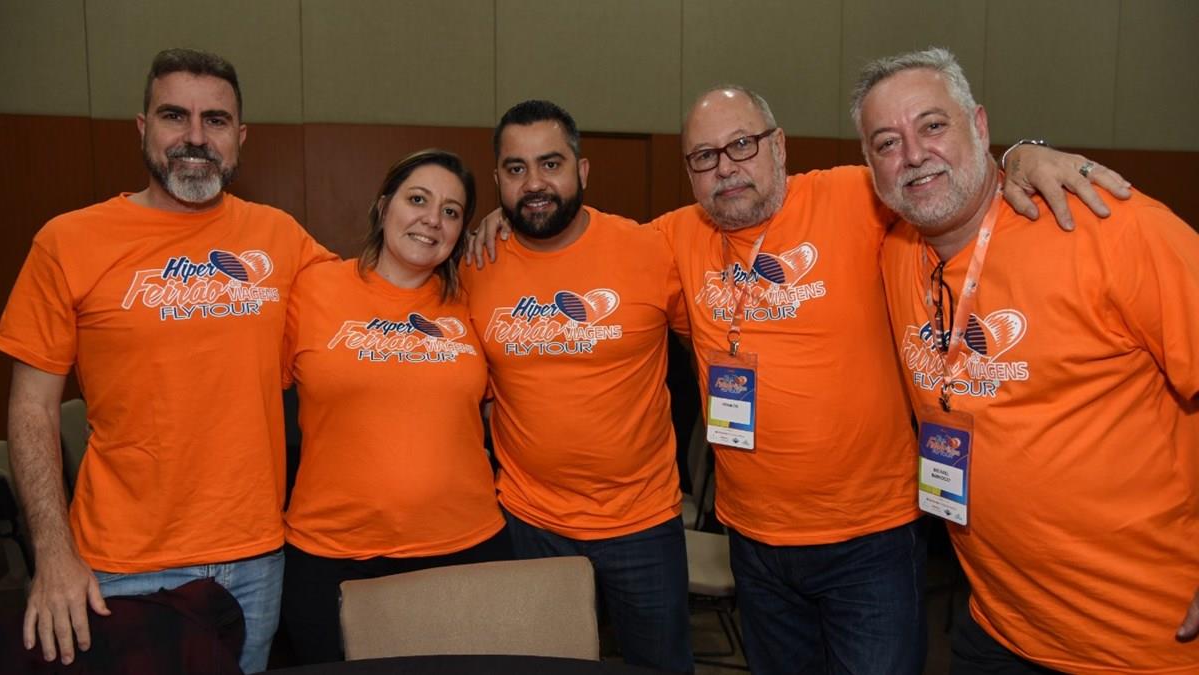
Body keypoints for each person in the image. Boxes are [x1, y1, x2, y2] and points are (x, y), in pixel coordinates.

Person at [467, 90, 1127, 675]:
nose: (726, 167)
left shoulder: (853, 197)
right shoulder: (671, 239)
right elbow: (568, 244)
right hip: (754, 540)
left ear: (779, 145)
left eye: (742, 145)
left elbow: (933, 172)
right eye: (704, 157)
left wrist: (1021, 154)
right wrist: (507, 220)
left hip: (869, 537)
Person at [856, 47, 1199, 674]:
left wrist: (1023, 150)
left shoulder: (1110, 228)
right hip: (997, 628)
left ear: (980, 126)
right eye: (886, 142)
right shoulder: (893, 251)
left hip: (1148, 642)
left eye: (933, 125)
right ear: (870, 167)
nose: (913, 154)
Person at [0, 48, 333, 673]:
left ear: (240, 137)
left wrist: (495, 235)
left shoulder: (281, 238)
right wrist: (52, 553)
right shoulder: (67, 242)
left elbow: (383, 289)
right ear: (143, 127)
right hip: (119, 566)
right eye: (175, 115)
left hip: (256, 560)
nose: (195, 137)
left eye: (215, 120)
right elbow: (31, 409)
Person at [460, 100, 692, 673]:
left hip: (643, 522)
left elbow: (722, 340)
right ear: (497, 180)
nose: (534, 183)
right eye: (516, 169)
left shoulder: (650, 250)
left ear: (582, 171)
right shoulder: (473, 265)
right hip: (529, 521)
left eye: (551, 164)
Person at [279, 149, 510, 664]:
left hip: (464, 549)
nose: (432, 219)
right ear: (384, 207)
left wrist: (508, 220)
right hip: (332, 557)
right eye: (418, 199)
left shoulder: (476, 295)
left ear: (462, 232)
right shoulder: (312, 288)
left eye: (451, 211)